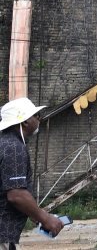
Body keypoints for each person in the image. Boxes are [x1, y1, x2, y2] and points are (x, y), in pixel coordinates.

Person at [1, 97, 64, 249]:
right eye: (35, 115)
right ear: (25, 121)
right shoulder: (14, 148)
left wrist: (35, 214)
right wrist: (45, 218)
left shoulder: (5, 142)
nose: (39, 118)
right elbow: (16, 195)